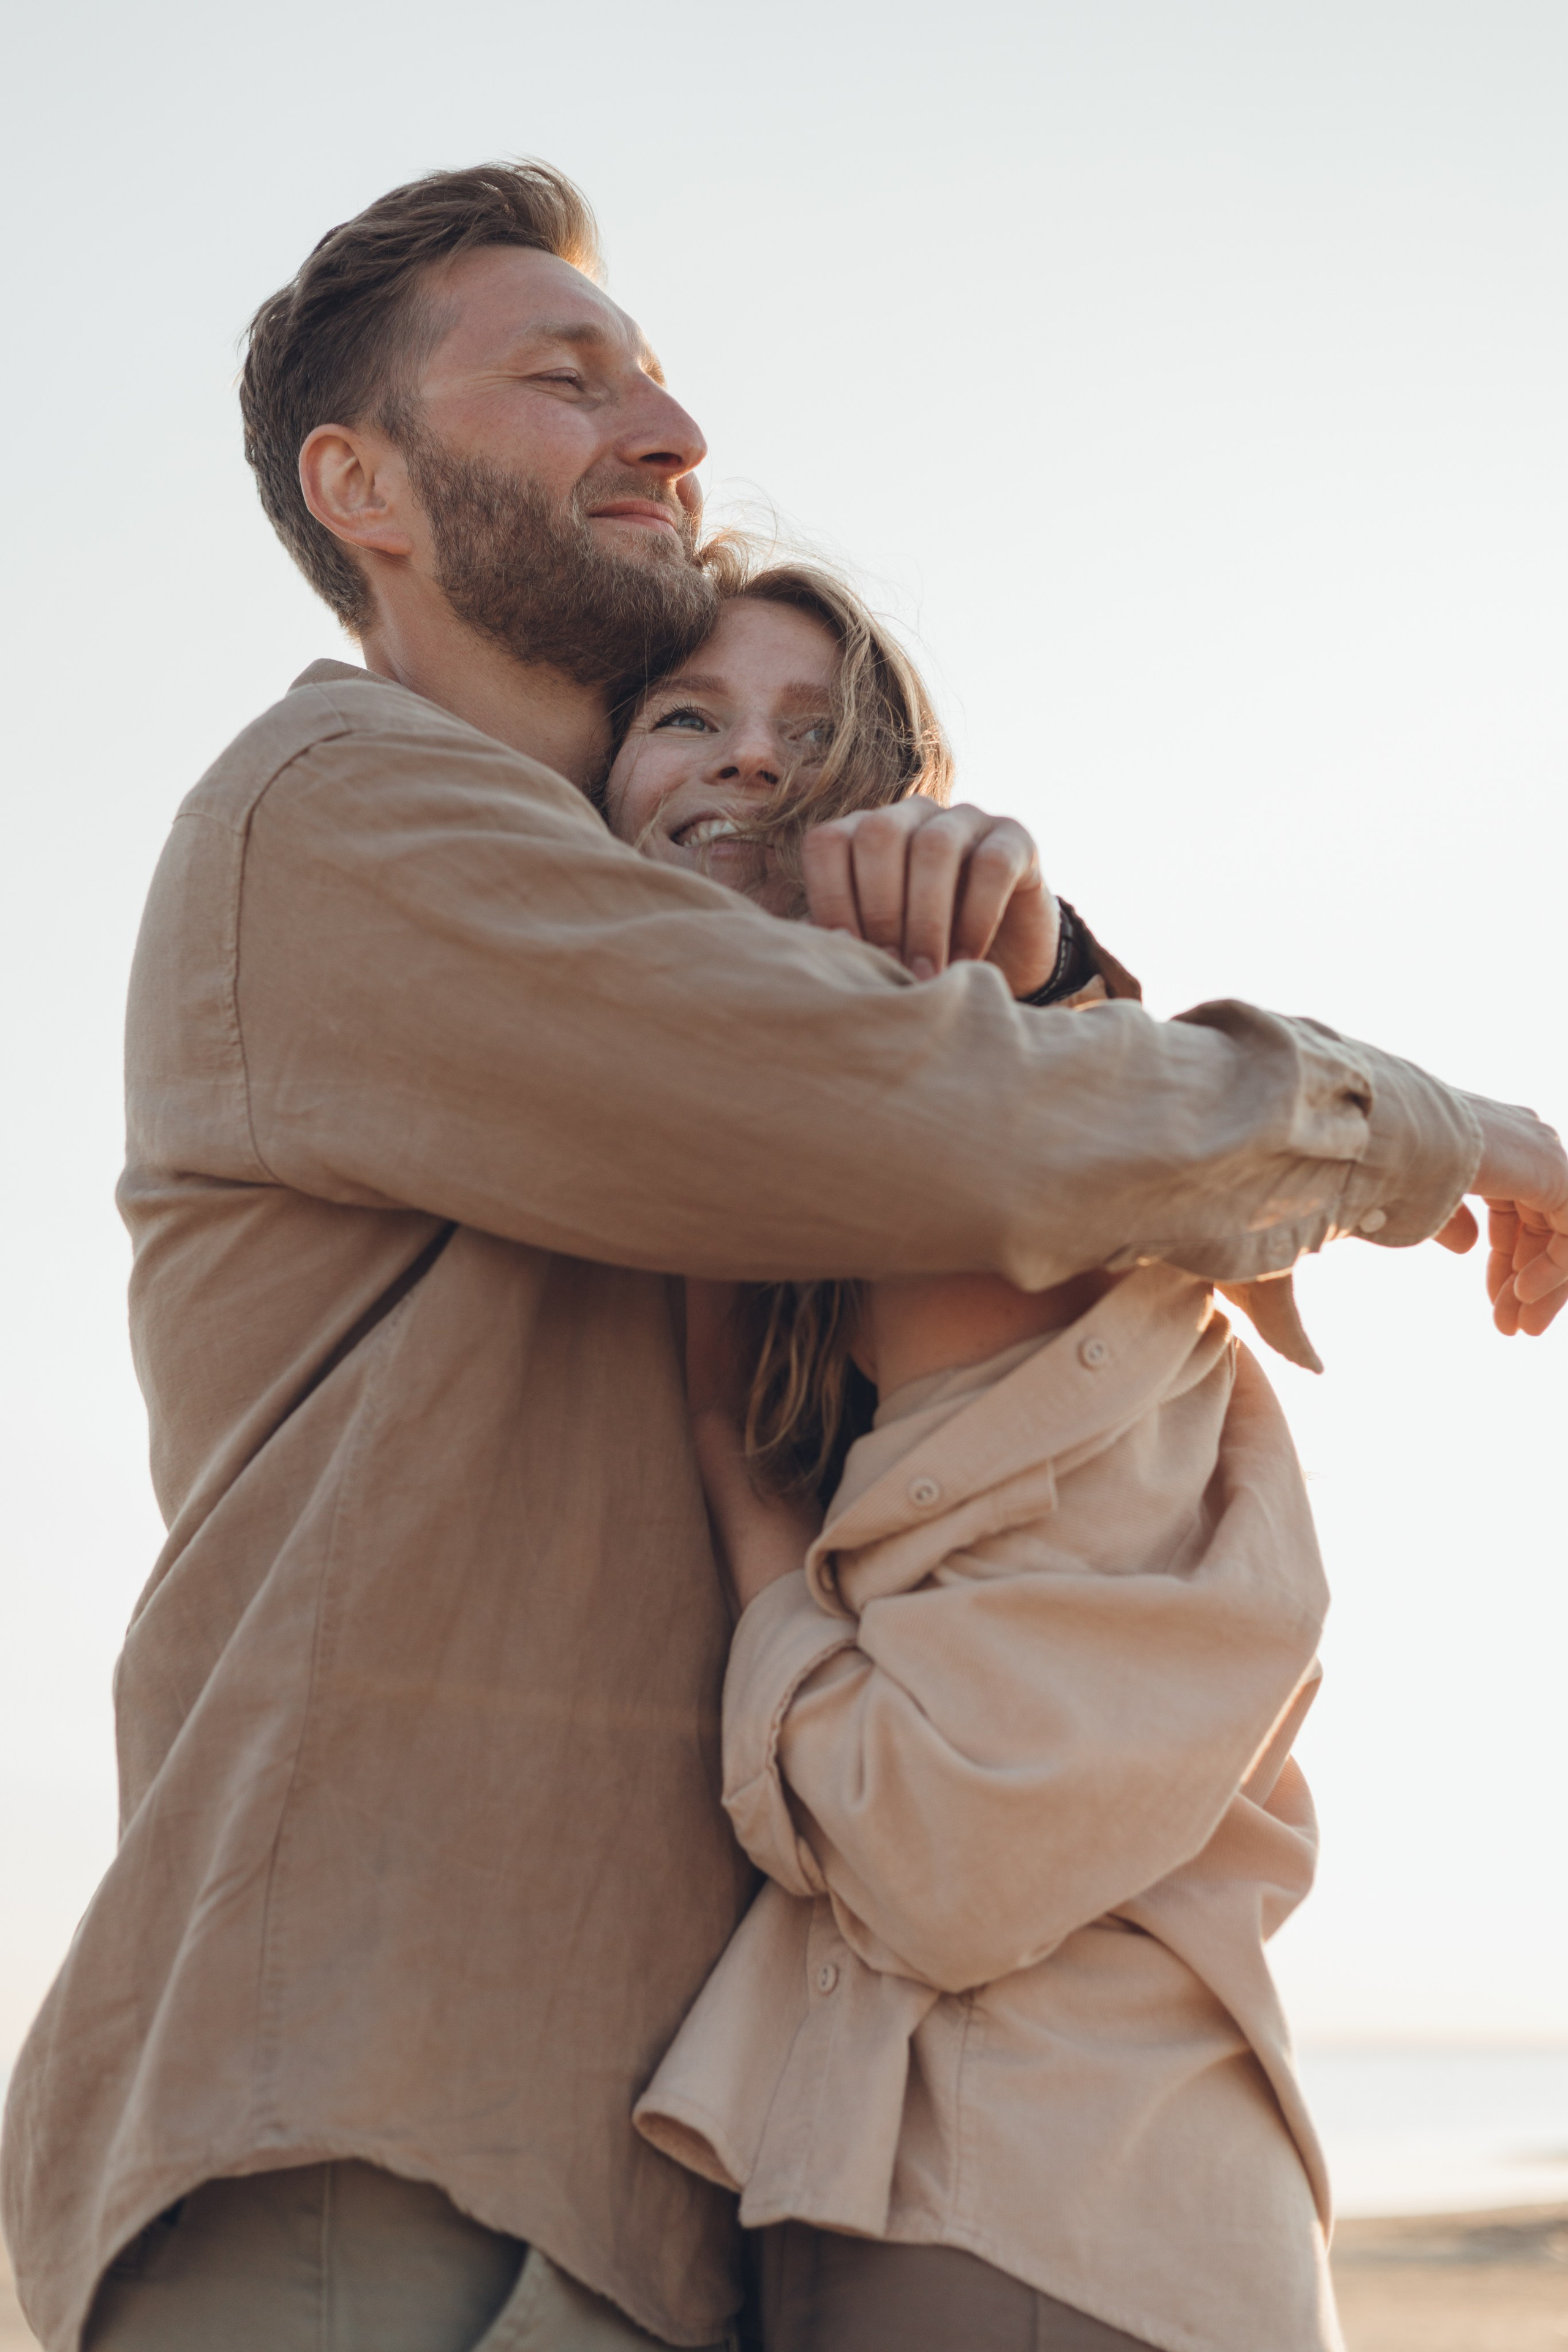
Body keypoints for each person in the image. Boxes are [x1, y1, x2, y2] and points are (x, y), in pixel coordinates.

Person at [2, 159, 1562, 2352]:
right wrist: (1426, 1129)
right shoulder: (334, 810)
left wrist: (991, 923)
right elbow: (931, 1116)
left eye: (656, 375)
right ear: (359, 485)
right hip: (373, 2132)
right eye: (567, 379)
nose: (669, 429)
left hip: (661, 2183)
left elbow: (916, 1157)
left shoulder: (662, 950)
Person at [603, 559, 1335, 2350]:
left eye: (813, 736)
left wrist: (746, 1499)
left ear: (888, 823)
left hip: (1050, 2191)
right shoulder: (793, 1196)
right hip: (950, 2178)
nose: (748, 764)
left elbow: (936, 1846)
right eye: (689, 713)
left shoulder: (967, 1198)